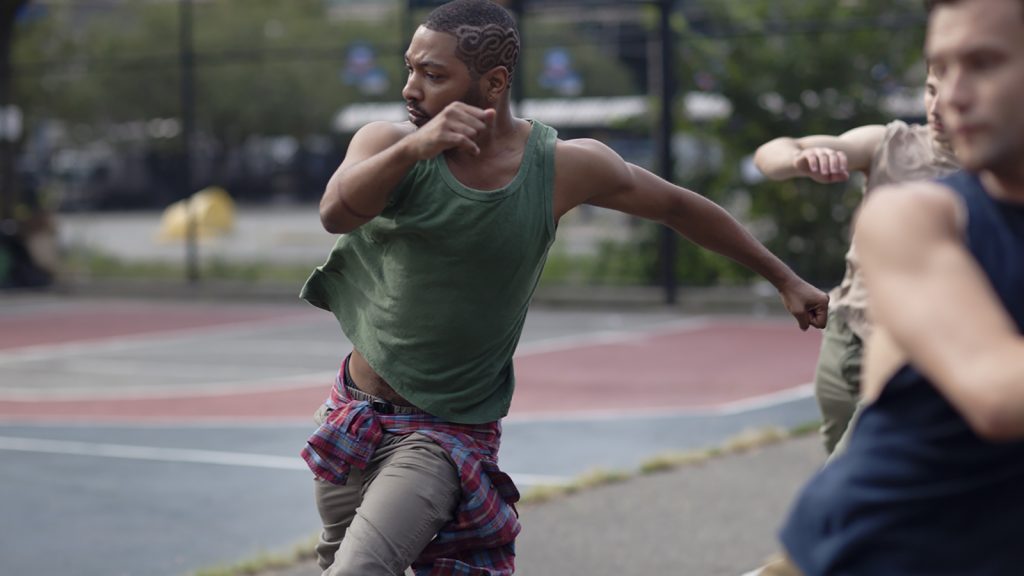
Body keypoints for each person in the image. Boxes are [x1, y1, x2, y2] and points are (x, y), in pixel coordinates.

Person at [298, 1, 828, 574]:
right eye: (410, 69)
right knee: (334, 562)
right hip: (354, 413)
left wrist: (785, 277)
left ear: (493, 83)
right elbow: (336, 212)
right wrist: (413, 149)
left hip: (443, 431)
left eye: (434, 75)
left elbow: (678, 207)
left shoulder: (559, 167)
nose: (412, 88)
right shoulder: (385, 144)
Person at [768, 0, 1024, 573]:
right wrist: (800, 158)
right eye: (940, 70)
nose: (952, 96)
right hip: (882, 552)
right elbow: (997, 393)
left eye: (982, 63)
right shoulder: (915, 216)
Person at [754, 69, 960, 455]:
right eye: (931, 90)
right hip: (847, 337)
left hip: (920, 354)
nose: (937, 105)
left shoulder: (1003, 174)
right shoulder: (890, 142)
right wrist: (800, 159)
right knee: (846, 472)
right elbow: (771, 153)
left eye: (953, 93)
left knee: (852, 485)